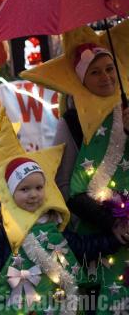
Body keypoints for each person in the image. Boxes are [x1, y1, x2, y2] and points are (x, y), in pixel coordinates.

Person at [0, 155, 122, 314]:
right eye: (24, 189)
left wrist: (114, 239)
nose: (33, 194)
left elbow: (80, 247)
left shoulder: (51, 222)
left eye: (39, 187)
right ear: (10, 192)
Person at [52, 41, 129, 310]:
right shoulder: (71, 122)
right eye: (95, 72)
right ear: (81, 80)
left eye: (110, 69)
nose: (106, 77)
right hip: (95, 240)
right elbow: (63, 186)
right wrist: (111, 224)